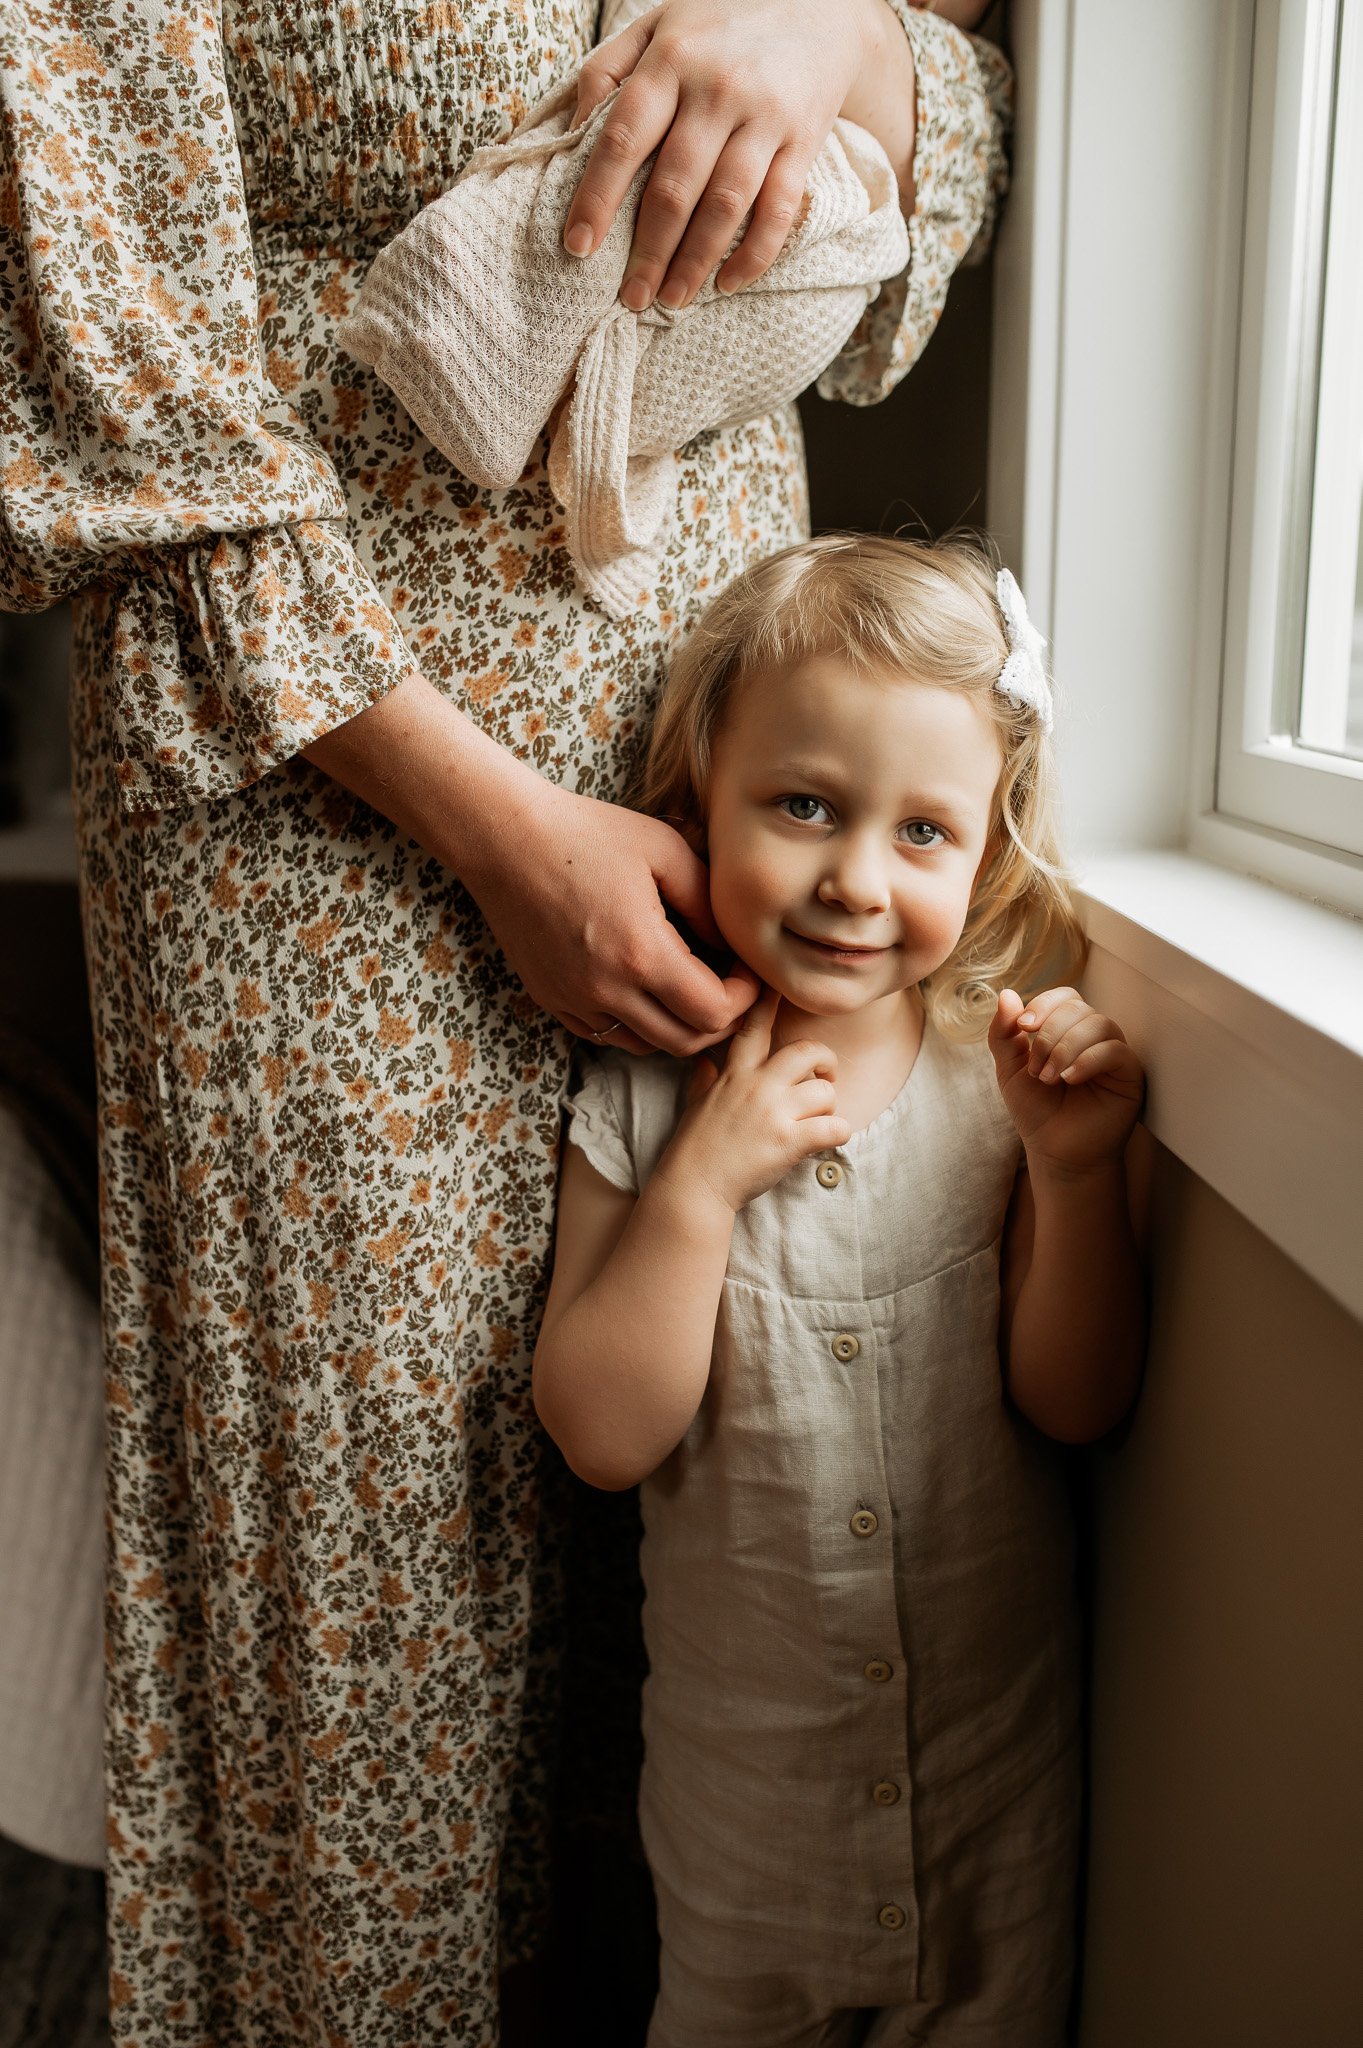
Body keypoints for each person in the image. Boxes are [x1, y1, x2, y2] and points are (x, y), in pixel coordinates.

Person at [0, 4, 1004, 2042]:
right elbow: (117, 371)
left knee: (738, 1517)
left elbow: (950, 148)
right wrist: (502, 838)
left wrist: (832, 42)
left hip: (721, 752)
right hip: (317, 800)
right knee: (383, 1605)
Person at [535, 534, 1147, 2047]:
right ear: (698, 804)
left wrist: (1074, 1176)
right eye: (804, 806)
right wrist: (700, 1185)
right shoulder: (643, 1091)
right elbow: (603, 1434)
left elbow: (1072, 1405)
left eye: (923, 832)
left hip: (991, 1811)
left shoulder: (990, 1088)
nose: (856, 880)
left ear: (990, 849)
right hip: (750, 1829)